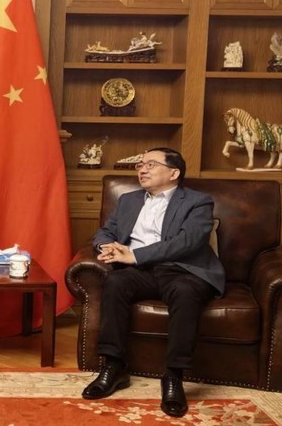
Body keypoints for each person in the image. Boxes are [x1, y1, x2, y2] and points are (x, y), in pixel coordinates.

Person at [82, 147, 225, 418]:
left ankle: (173, 376)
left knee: (185, 292)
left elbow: (188, 242)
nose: (142, 169)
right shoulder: (129, 200)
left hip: (183, 270)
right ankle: (113, 366)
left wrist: (134, 255)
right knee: (115, 283)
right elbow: (106, 231)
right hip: (141, 271)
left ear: (174, 173)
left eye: (151, 164)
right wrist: (107, 246)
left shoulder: (198, 202)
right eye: (140, 165)